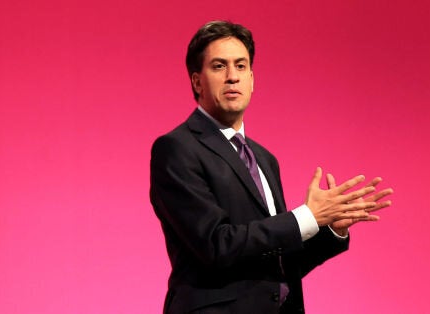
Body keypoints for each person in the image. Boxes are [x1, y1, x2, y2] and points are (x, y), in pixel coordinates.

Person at [149, 21, 393, 314]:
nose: (232, 77)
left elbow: (277, 262)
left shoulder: (264, 159)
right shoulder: (177, 149)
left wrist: (329, 229)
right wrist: (305, 216)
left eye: (241, 66)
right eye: (218, 66)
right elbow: (216, 246)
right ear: (197, 81)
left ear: (252, 79)